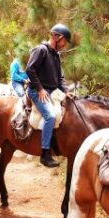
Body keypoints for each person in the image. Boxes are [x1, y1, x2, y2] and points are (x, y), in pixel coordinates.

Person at [26, 23, 72, 168]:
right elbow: (30, 69)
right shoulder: (41, 50)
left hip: (53, 91)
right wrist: (39, 89)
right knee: (51, 115)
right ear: (57, 37)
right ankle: (45, 153)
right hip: (37, 91)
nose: (65, 45)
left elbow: (60, 79)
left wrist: (66, 91)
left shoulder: (56, 55)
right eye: (65, 41)